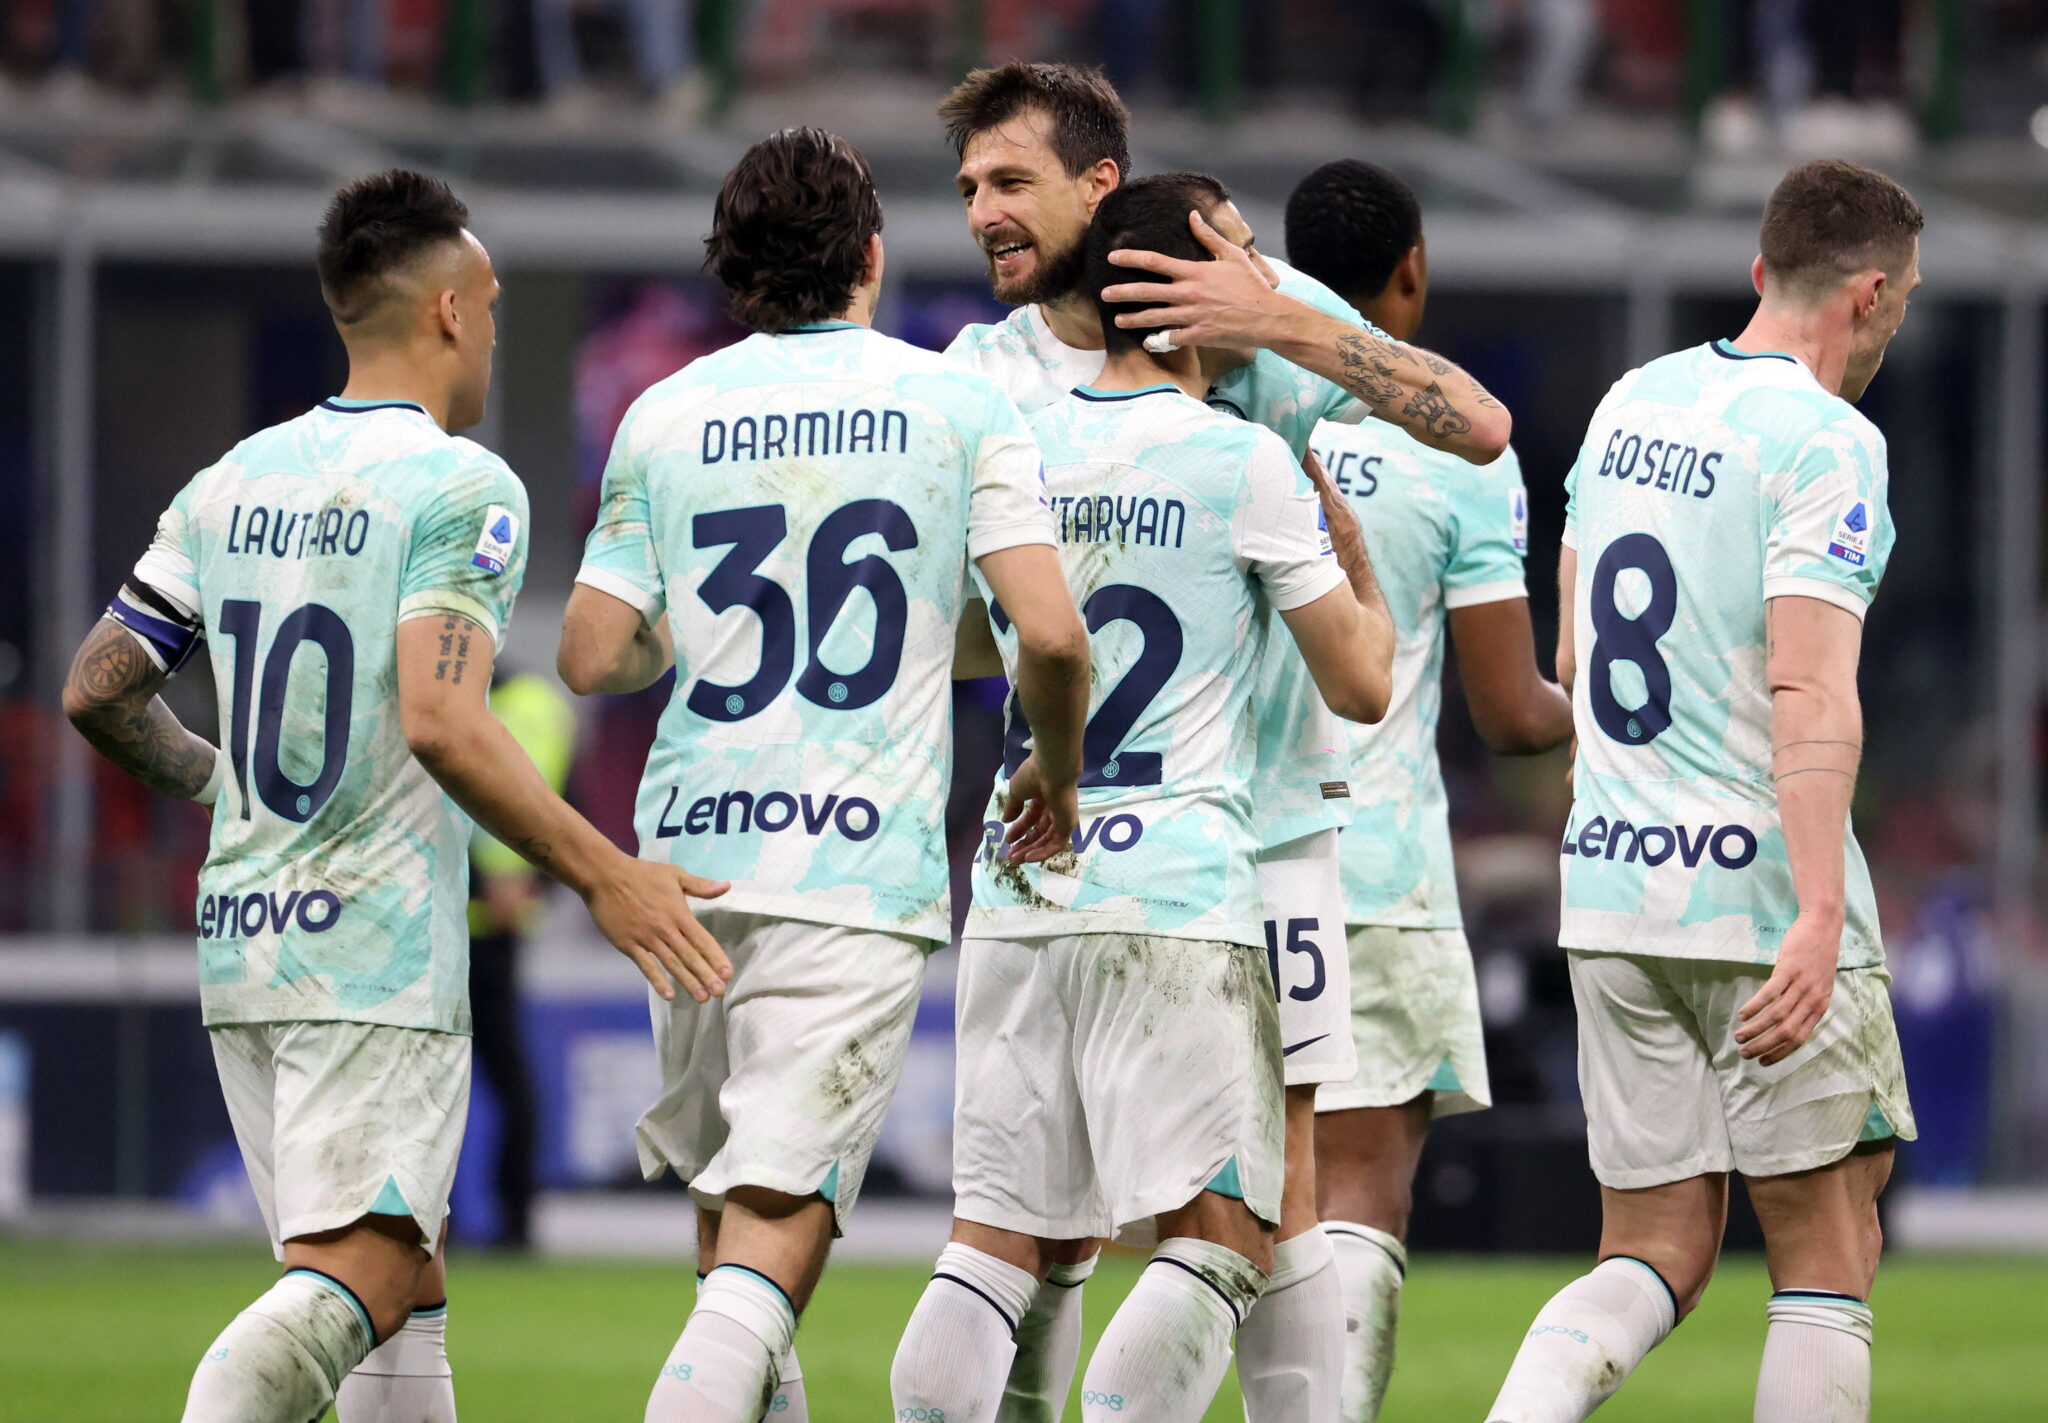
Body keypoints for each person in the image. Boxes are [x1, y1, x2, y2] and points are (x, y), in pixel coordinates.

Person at [61, 168, 731, 1423]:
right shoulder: (460, 486)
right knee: (357, 1277)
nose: (492, 331)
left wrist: (222, 782)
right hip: (370, 954)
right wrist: (607, 876)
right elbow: (441, 717)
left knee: (404, 1283)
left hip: (246, 947)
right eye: (492, 305)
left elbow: (98, 688)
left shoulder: (230, 480)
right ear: (449, 309)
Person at [936, 60, 1509, 1420]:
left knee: (1277, 1187)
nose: (983, 215)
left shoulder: (1239, 299)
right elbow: (963, 629)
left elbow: (1475, 424)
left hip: (1273, 833)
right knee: (1061, 1223)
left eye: (1009, 182)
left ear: (1099, 186)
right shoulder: (979, 367)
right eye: (969, 189)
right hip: (1103, 828)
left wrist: (1274, 317)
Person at [555, 126, 1087, 1423]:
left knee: (729, 1238)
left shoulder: (663, 410)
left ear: (734, 270)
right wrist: (1055, 768)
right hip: (847, 866)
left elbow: (591, 652)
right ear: (870, 254)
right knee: (775, 1235)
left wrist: (707, 632)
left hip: (686, 864)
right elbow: (1051, 635)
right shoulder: (956, 403)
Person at [891, 171, 1396, 1423]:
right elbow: (1361, 682)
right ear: (1184, 296)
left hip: (1021, 879)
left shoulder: (1014, 447)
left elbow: (973, 639)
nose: (1257, 286)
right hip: (1177, 892)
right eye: (1236, 263)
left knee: (992, 1242)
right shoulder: (1243, 461)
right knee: (1223, 1237)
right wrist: (1357, 566)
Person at [1484, 158, 1923, 1423]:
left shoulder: (1631, 401)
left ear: (1757, 271)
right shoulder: (1828, 440)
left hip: (1611, 890)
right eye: (1898, 305)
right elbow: (1807, 688)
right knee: (1828, 1243)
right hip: (1753, 895)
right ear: (1870, 293)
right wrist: (1820, 910)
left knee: (1652, 1247)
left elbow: (1572, 651)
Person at [1282, 158, 1575, 1422]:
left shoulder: (1227, 401)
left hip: (1220, 861)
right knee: (1357, 1199)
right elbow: (1510, 715)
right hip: (1374, 865)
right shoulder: (1456, 447)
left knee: (1228, 1216)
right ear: (1410, 270)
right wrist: (1597, 714)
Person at [465, 668, 578, 1253]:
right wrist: (533, 886)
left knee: (443, 1080)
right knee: (508, 1079)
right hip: (486, 924)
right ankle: (513, 1222)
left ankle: (440, 1225)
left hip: (450, 922)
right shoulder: (542, 706)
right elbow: (570, 806)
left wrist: (493, 887)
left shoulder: (427, 686)